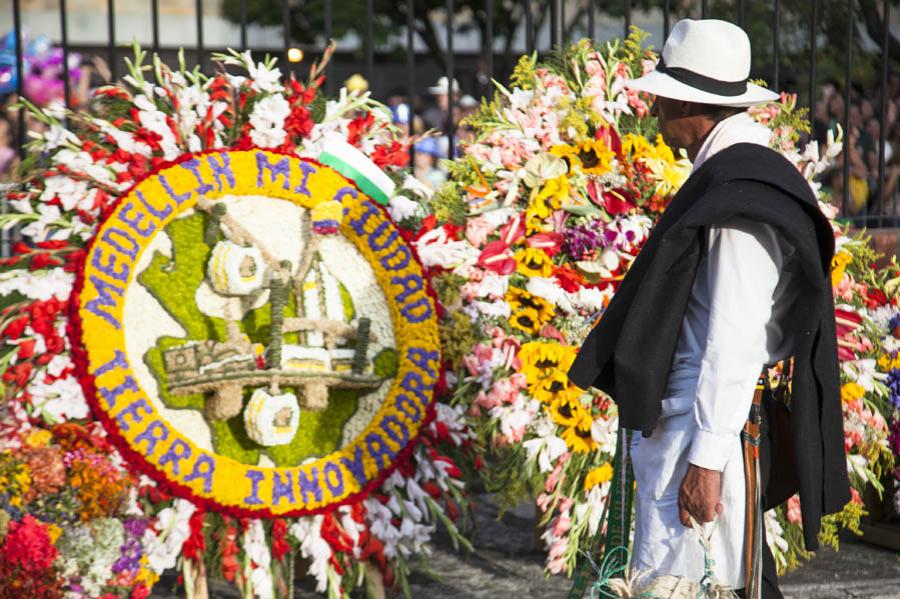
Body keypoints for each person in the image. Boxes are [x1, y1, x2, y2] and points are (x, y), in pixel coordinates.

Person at [568, 19, 849, 599]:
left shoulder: (738, 195)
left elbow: (735, 333)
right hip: (690, 421)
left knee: (694, 582)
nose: (654, 112)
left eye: (663, 98)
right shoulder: (731, 174)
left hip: (703, 430)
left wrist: (706, 460)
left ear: (691, 104)